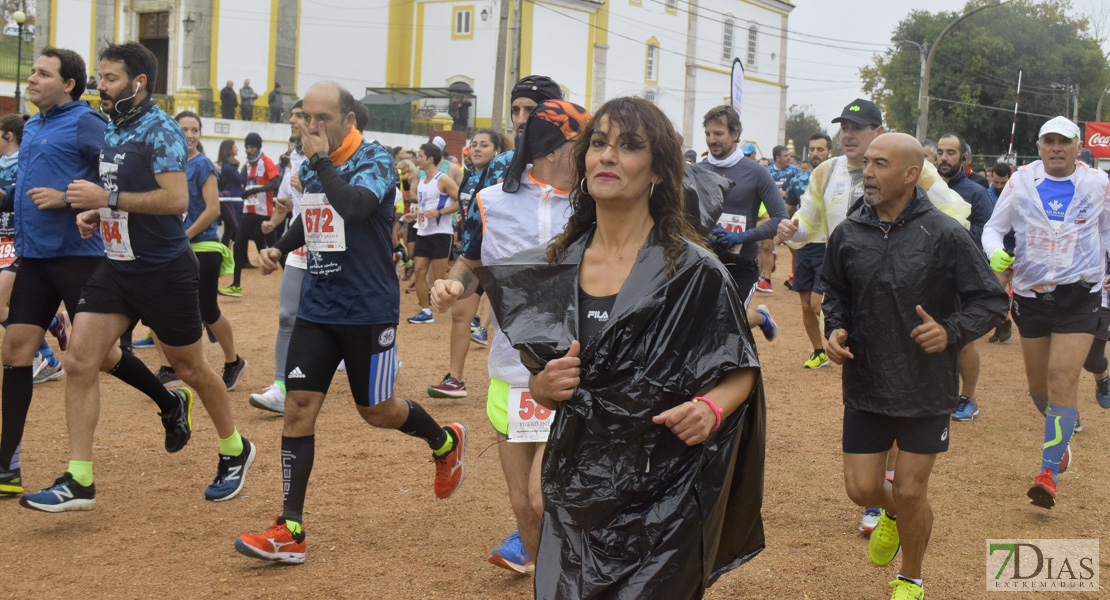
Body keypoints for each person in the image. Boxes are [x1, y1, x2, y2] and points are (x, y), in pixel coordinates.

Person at [486, 96, 765, 597]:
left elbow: (740, 368)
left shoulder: (695, 273)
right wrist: (543, 385)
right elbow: (543, 382)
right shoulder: (551, 268)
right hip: (577, 489)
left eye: (629, 146)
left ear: (657, 170)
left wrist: (709, 408)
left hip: (668, 494)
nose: (607, 156)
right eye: (598, 144)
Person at [233, 81, 466, 564]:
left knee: (375, 410)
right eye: (305, 118)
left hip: (367, 309)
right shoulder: (314, 161)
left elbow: (355, 207)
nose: (309, 127)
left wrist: (319, 162)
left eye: (321, 119)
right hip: (318, 308)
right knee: (297, 406)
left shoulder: (374, 159)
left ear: (348, 121)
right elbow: (315, 212)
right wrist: (283, 244)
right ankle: (290, 528)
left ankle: (444, 441)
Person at [20, 42, 256, 512]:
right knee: (80, 361)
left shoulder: (160, 128)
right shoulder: (114, 127)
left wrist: (106, 201)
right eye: (100, 78)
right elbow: (120, 192)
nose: (99, 87)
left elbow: (174, 202)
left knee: (189, 369)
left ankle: (235, 448)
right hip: (116, 265)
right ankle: (79, 479)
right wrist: (96, 213)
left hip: (164, 269)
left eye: (109, 79)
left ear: (138, 82)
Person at [822, 132, 1007, 600]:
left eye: (880, 164)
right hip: (866, 382)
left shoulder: (945, 233)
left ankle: (912, 576)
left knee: (909, 492)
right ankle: (888, 514)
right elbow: (836, 293)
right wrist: (836, 328)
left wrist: (950, 331)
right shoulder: (848, 232)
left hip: (925, 387)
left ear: (910, 174)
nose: (867, 172)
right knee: (862, 489)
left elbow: (988, 300)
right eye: (866, 163)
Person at [778, 99, 971, 535]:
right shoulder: (823, 172)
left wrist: (917, 249)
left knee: (900, 386)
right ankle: (884, 500)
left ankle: (891, 500)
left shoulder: (911, 166)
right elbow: (809, 224)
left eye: (858, 127)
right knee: (872, 387)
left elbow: (956, 214)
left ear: (877, 130)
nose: (849, 134)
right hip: (852, 287)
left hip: (909, 294)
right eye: (844, 127)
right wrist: (793, 231)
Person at [0, 46, 169, 497]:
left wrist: (66, 198)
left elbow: (120, 174)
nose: (32, 80)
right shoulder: (33, 123)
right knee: (15, 350)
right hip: (34, 258)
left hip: (79, 255)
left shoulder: (86, 121)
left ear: (68, 83)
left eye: (43, 73)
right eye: (32, 71)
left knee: (98, 355)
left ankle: (169, 401)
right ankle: (7, 467)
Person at [431, 100, 588, 573]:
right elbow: (474, 257)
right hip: (509, 369)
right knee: (523, 505)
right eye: (586, 143)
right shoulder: (492, 200)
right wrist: (454, 282)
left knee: (544, 498)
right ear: (556, 148)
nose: (597, 154)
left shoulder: (596, 205)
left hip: (574, 369)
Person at [982, 115, 1110, 510]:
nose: (1056, 148)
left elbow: (1106, 232)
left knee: (1061, 377)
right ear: (1038, 147)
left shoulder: (1098, 184)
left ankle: (1048, 473)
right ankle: (1063, 435)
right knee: (1040, 388)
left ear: (1077, 146)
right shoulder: (1020, 182)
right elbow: (992, 229)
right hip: (1031, 296)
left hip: (1080, 296)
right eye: (1049, 141)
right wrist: (995, 253)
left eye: (1064, 141)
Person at [147, 111, 247, 391]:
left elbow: (213, 210)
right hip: (169, 246)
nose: (190, 135)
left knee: (206, 307)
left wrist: (183, 237)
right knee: (154, 307)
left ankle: (233, 361)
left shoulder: (203, 165)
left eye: (195, 130)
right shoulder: (163, 163)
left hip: (202, 244)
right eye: (184, 129)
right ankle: (168, 367)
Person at [426, 128, 505, 399]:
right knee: (460, 314)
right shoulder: (468, 177)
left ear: (497, 151)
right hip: (471, 256)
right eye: (474, 145)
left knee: (509, 318)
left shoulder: (505, 177)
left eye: (485, 145)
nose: (477, 149)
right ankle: (454, 379)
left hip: (501, 257)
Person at [698, 104, 785, 342]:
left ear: (735, 134)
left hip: (741, 264)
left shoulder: (756, 173)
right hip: (704, 261)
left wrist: (742, 237)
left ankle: (761, 318)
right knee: (701, 322)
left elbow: (780, 218)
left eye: (718, 134)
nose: (712, 140)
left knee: (730, 321)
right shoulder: (699, 170)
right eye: (708, 134)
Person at [249, 100, 307, 413]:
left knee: (347, 317)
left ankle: (384, 356)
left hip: (335, 251)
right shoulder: (292, 161)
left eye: (299, 116)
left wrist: (310, 183)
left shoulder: (337, 157)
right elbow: (289, 203)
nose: (293, 120)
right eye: (293, 115)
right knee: (288, 316)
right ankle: (281, 387)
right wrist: (275, 223)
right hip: (299, 248)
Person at [936, 132, 996, 422]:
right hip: (930, 275)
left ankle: (968, 397)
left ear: (965, 158)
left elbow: (989, 229)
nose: (944, 158)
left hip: (964, 275)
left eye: (950, 152)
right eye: (940, 152)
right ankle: (940, 393)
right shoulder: (929, 189)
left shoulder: (976, 192)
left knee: (963, 340)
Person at [782, 132, 833, 369]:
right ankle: (818, 351)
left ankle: (838, 343)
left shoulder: (838, 178)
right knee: (804, 305)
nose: (815, 154)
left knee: (817, 304)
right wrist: (784, 228)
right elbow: (787, 208)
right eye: (812, 149)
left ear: (829, 152)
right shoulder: (797, 180)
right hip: (804, 248)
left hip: (828, 248)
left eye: (820, 150)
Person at [220, 132, 279, 297]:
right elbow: (242, 181)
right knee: (238, 244)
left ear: (258, 147)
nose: (248, 149)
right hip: (248, 210)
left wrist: (256, 190)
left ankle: (292, 282)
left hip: (264, 212)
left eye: (251, 146)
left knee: (278, 246)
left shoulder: (266, 162)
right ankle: (236, 284)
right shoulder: (247, 164)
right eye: (246, 146)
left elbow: (276, 182)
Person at [406, 142, 459, 325]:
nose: (417, 159)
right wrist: (413, 215)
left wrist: (440, 213)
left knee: (439, 277)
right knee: (419, 272)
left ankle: (457, 309)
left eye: (420, 156)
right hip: (422, 232)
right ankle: (425, 311)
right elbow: (424, 207)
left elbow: (461, 201)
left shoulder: (442, 179)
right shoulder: (421, 181)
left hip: (441, 234)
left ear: (430, 159)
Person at [485, 75, 564, 179]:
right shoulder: (500, 163)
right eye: (516, 111)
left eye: (531, 110)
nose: (520, 120)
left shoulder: (570, 164)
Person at [759, 145, 801, 293]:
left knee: (794, 248)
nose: (789, 158)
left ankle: (796, 276)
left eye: (789, 155)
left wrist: (784, 193)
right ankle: (766, 280)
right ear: (777, 158)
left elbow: (797, 190)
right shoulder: (767, 171)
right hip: (771, 216)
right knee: (766, 246)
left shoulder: (795, 171)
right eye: (786, 156)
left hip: (791, 216)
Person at [987, 162, 1015, 343]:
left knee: (1001, 289)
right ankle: (1002, 322)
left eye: (1002, 183)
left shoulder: (1016, 194)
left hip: (1014, 249)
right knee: (996, 290)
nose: (998, 186)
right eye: (995, 182)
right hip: (993, 250)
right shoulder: (986, 195)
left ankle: (1004, 322)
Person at [216, 139, 245, 246]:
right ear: (229, 150)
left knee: (230, 230)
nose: (237, 149)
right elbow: (241, 179)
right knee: (230, 230)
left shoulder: (226, 166)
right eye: (235, 147)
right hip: (233, 203)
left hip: (233, 201)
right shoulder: (227, 167)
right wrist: (247, 169)